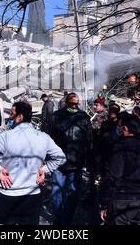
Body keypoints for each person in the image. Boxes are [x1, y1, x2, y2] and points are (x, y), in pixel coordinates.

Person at [0, 101, 66, 225]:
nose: (10, 116)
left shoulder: (5, 137)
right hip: (32, 196)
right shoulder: (43, 137)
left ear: (20, 117)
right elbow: (61, 157)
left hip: (8, 195)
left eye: (12, 113)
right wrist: (44, 169)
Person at [99, 113, 140, 225]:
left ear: (125, 128)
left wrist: (104, 203)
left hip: (121, 200)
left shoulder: (120, 147)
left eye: (120, 126)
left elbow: (114, 176)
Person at [50, 92, 92, 225]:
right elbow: (49, 138)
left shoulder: (84, 118)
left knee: (73, 193)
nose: (74, 106)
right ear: (66, 102)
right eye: (71, 103)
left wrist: (88, 158)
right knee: (56, 192)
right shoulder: (57, 116)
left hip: (77, 162)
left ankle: (67, 218)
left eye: (76, 104)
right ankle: (59, 217)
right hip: (59, 161)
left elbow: (89, 140)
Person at [88, 96, 109, 200]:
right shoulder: (102, 115)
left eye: (96, 105)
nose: (94, 106)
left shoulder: (101, 116)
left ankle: (93, 197)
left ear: (102, 106)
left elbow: (93, 131)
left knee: (95, 174)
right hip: (100, 149)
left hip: (97, 149)